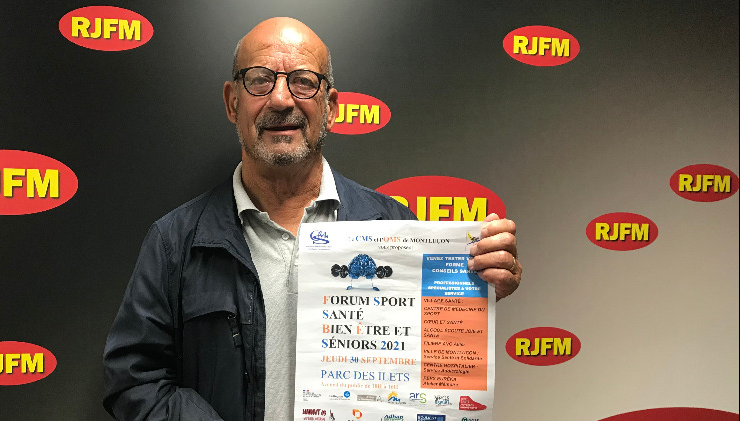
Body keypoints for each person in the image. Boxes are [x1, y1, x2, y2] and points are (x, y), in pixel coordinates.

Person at [103, 17, 522, 421]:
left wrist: (472, 294)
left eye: (303, 81)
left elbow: (429, 367)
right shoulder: (175, 241)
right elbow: (133, 380)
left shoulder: (393, 226)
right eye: (259, 80)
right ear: (233, 102)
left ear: (331, 106)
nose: (281, 99)